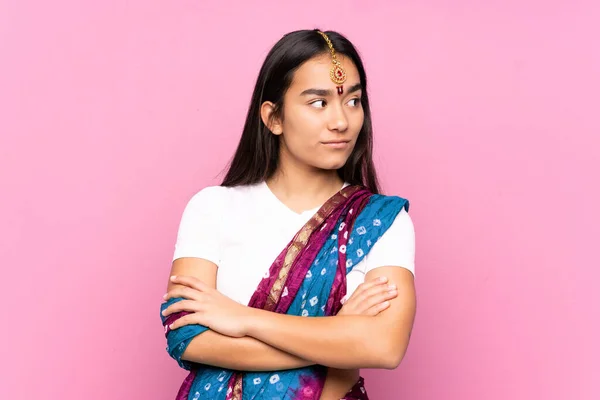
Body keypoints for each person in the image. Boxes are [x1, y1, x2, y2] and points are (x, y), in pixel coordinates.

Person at [160, 29, 417, 400]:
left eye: (354, 101)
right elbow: (185, 336)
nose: (342, 122)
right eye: (318, 103)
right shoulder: (213, 208)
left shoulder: (380, 221)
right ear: (274, 117)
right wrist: (335, 336)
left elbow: (383, 346)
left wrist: (242, 318)